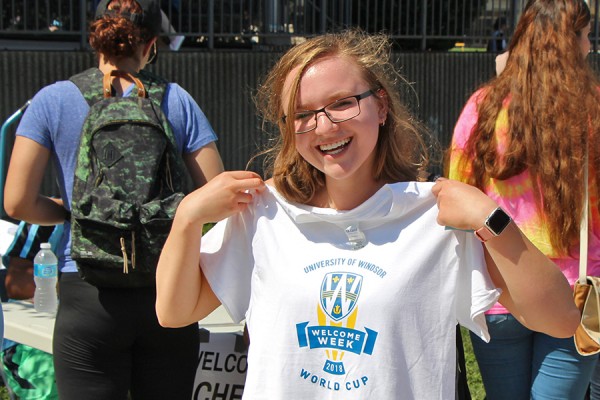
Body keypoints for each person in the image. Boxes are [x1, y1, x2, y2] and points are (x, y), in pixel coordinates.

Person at [155, 29, 580, 399]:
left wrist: (491, 217)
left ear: (381, 105)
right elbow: (174, 311)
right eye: (302, 114)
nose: (323, 127)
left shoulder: (435, 217)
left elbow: (560, 320)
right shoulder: (263, 214)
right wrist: (188, 217)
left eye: (342, 103)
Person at [3, 0, 224, 398]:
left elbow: (16, 202)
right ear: (152, 43)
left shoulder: (53, 100)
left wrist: (71, 212)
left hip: (87, 288)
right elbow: (217, 195)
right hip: (167, 291)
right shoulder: (176, 99)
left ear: (96, 37)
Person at [447, 1, 600, 399]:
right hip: (575, 291)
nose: (589, 46)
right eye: (586, 35)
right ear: (570, 42)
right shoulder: (593, 110)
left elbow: (457, 199)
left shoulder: (482, 108)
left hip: (499, 287)